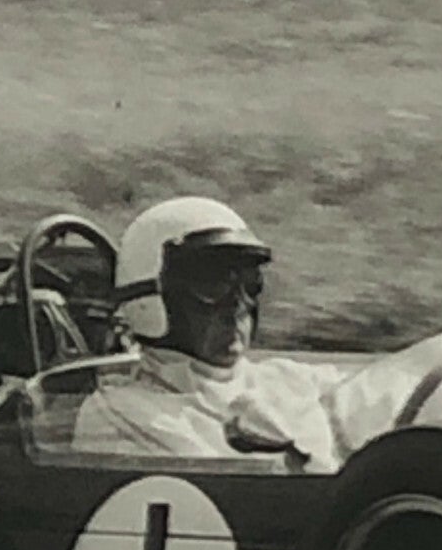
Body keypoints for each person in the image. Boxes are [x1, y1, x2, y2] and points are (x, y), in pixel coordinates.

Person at [73, 196, 349, 468]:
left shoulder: (286, 379)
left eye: (250, 284)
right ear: (152, 298)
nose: (239, 305)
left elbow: (373, 398)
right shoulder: (123, 413)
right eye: (213, 284)